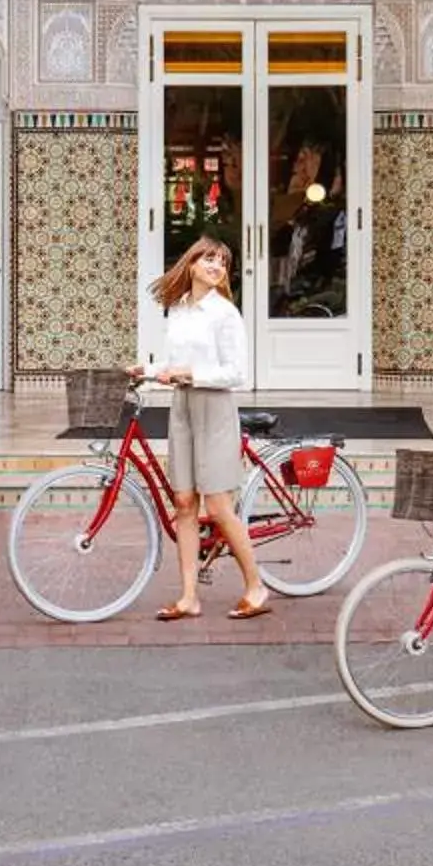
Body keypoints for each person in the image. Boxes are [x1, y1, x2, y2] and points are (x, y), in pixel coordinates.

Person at [144, 238, 270, 624]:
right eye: (209, 259)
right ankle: (188, 597)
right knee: (183, 502)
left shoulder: (225, 313)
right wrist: (147, 371)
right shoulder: (179, 309)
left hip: (214, 408)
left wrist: (189, 374)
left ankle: (256, 586)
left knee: (217, 505)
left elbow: (237, 374)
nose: (217, 266)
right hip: (181, 406)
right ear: (192, 263)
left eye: (222, 262)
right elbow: (175, 361)